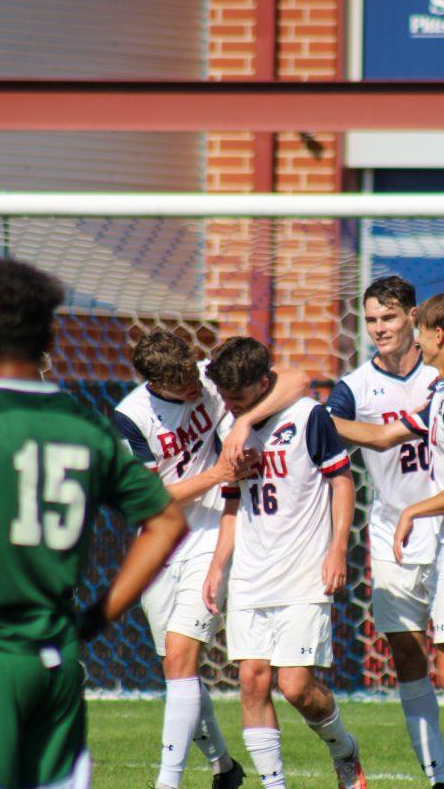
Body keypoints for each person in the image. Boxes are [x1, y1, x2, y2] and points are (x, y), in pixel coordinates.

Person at [0, 259, 189, 789]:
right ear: (50, 335)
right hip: (58, 662)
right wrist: (96, 619)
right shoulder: (85, 425)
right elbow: (166, 522)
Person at [331, 293, 444, 789]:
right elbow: (388, 435)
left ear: (437, 335)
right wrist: (312, 420)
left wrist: (415, 508)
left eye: (420, 329)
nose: (413, 336)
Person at [112, 330, 311, 789]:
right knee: (175, 668)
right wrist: (218, 472)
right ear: (154, 382)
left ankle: (168, 782)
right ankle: (223, 767)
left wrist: (244, 423)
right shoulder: (130, 417)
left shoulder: (207, 376)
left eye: (191, 375)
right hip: (161, 543)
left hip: (214, 532)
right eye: (180, 383)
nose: (194, 388)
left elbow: (298, 379)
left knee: (182, 656)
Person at [200, 337, 367, 789]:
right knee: (252, 682)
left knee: (295, 687)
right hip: (252, 575)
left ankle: (343, 750)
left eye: (238, 398)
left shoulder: (307, 416)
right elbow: (233, 503)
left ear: (261, 382)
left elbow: (343, 483)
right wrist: (219, 566)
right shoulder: (230, 428)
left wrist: (337, 550)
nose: (230, 407)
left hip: (302, 575)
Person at [324, 276, 444, 788]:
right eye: (372, 319)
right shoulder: (355, 387)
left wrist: (377, 435)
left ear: (413, 317)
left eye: (390, 318)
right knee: (406, 652)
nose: (379, 328)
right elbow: (323, 423)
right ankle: (439, 776)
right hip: (390, 529)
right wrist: (370, 434)